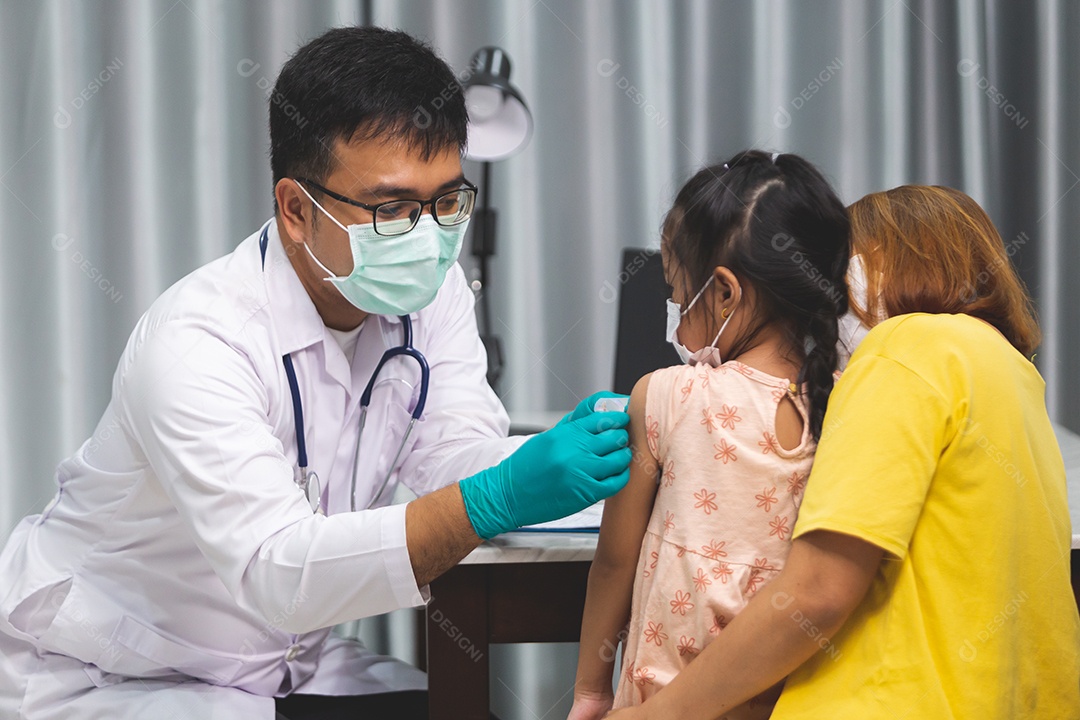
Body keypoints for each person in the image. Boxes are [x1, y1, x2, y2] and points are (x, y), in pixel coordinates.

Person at [0, 26, 632, 720]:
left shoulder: (434, 292)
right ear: (297, 210)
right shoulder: (198, 341)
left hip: (279, 666)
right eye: (391, 210)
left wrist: (558, 464)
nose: (428, 237)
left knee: (459, 712)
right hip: (112, 672)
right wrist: (499, 496)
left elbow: (453, 458)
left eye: (446, 201)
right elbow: (280, 569)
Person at [605, 185, 1080, 719]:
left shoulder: (902, 352)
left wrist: (658, 713)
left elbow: (816, 591)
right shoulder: (1013, 372)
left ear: (871, 268)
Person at [568, 151, 850, 720]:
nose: (673, 309)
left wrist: (589, 694)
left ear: (724, 293)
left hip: (659, 699)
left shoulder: (667, 396)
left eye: (675, 290)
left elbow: (615, 563)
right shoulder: (849, 405)